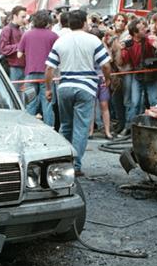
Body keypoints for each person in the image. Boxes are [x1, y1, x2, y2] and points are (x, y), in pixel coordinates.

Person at [45, 10, 112, 177]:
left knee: (65, 126)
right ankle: (75, 165)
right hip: (86, 88)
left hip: (64, 87)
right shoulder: (93, 40)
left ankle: (62, 161)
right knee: (81, 128)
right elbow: (106, 65)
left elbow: (49, 68)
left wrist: (47, 89)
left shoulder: (60, 41)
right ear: (84, 23)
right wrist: (107, 79)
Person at [117, 18, 157, 133]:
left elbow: (153, 41)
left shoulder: (147, 39)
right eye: (142, 29)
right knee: (135, 102)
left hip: (151, 74)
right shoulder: (128, 43)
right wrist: (121, 49)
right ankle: (129, 127)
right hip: (138, 75)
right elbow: (123, 61)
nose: (145, 29)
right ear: (135, 33)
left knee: (154, 101)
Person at [17, 10, 60, 126]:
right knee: (48, 104)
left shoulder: (27, 34)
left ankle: (28, 128)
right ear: (47, 22)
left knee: (30, 104)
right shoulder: (53, 36)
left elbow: (19, 54)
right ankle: (50, 130)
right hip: (47, 74)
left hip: (30, 73)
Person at [0, 5, 29, 88]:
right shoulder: (7, 29)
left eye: (25, 17)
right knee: (15, 92)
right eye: (22, 17)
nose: (24, 19)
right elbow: (3, 48)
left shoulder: (21, 29)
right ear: (15, 16)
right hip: (13, 66)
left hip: (21, 65)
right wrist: (20, 46)